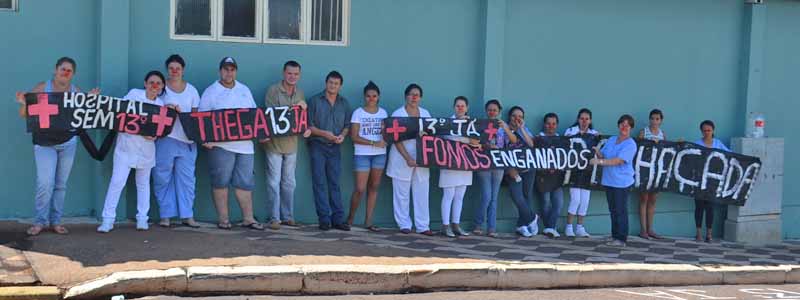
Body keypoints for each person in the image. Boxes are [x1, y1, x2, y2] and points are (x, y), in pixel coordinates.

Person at [15, 57, 100, 236]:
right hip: (44, 143)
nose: (65, 72)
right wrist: (24, 104)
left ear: (73, 74)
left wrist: (90, 100)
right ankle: (40, 221)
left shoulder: (76, 92)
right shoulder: (41, 88)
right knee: (45, 183)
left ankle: (55, 221)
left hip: (68, 143)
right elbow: (24, 115)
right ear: (55, 70)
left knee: (61, 185)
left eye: (69, 70)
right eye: (63, 69)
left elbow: (84, 115)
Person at [97, 71, 169, 233]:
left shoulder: (161, 105)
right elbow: (122, 116)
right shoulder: (134, 95)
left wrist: (154, 136)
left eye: (158, 83)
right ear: (145, 83)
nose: (154, 86)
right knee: (117, 182)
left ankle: (142, 219)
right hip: (126, 148)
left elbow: (160, 129)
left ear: (162, 86)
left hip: (146, 150)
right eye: (151, 82)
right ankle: (107, 220)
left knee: (143, 185)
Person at [199, 57, 263, 230]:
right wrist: (206, 140)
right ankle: (224, 219)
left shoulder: (244, 90)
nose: (229, 72)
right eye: (226, 69)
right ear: (220, 71)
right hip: (221, 146)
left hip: (245, 146)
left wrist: (261, 134)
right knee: (220, 182)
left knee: (245, 183)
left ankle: (248, 218)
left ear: (236, 71)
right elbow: (202, 119)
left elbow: (254, 115)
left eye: (232, 69)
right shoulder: (211, 91)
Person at [261, 60, 311, 230]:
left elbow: (299, 120)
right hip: (274, 145)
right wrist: (295, 107)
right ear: (284, 73)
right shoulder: (273, 90)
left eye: (296, 74)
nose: (292, 77)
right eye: (290, 73)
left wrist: (305, 127)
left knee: (289, 183)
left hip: (292, 145)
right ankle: (274, 218)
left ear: (299, 75)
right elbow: (272, 116)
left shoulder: (300, 93)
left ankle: (288, 216)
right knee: (273, 182)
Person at [153, 54, 201, 228]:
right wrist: (166, 109)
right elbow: (150, 108)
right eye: (171, 68)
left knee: (187, 180)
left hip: (187, 142)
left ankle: (187, 215)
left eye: (178, 68)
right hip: (166, 139)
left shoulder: (192, 91)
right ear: (167, 70)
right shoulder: (160, 88)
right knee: (162, 177)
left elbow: (196, 117)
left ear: (183, 70)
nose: (174, 71)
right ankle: (165, 215)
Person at [386, 84, 433, 236]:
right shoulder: (398, 114)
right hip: (401, 157)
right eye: (411, 94)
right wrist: (407, 157)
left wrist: (423, 156)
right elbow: (395, 138)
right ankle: (404, 224)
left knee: (422, 192)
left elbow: (430, 136)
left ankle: (423, 226)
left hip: (421, 159)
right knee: (401, 193)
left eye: (417, 95)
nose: (414, 97)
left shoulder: (425, 113)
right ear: (406, 96)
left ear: (420, 98)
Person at [308, 71, 352, 231]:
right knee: (319, 182)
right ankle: (324, 219)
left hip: (335, 147)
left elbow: (347, 125)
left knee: (334, 183)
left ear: (340, 86)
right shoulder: (314, 101)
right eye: (330, 82)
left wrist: (342, 136)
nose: (333, 86)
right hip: (318, 145)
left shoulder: (344, 103)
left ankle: (338, 219)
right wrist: (324, 133)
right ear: (326, 83)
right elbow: (309, 126)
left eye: (336, 83)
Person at [346, 81, 387, 232]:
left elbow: (386, 133)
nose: (371, 98)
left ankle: (368, 221)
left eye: (374, 96)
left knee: (374, 187)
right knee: (360, 188)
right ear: (364, 97)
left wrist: (383, 140)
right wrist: (372, 143)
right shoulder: (358, 112)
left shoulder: (383, 113)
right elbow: (354, 136)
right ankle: (350, 219)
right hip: (362, 154)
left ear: (378, 97)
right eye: (368, 96)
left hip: (379, 155)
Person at [591, 114, 637, 247]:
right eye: (622, 124)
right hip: (609, 181)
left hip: (622, 182)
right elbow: (604, 155)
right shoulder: (611, 139)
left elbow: (618, 161)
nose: (624, 127)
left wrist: (599, 161)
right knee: (613, 210)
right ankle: (614, 236)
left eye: (627, 125)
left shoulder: (630, 144)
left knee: (620, 210)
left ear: (631, 128)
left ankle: (621, 238)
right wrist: (597, 151)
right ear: (618, 125)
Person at [473, 100, 517, 238]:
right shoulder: (480, 125)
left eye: (495, 110)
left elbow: (514, 140)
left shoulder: (502, 126)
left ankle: (491, 227)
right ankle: (478, 224)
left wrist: (505, 128)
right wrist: (486, 146)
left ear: (499, 111)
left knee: (494, 197)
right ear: (486, 111)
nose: (492, 112)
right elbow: (475, 142)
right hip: (484, 163)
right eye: (490, 109)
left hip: (498, 164)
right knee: (486, 195)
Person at [438, 96, 478, 237]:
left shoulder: (471, 123)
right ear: (454, 107)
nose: (460, 108)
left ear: (467, 108)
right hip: (449, 164)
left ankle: (456, 224)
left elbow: (475, 142)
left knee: (460, 196)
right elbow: (439, 142)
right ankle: (445, 225)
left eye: (462, 106)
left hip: (465, 163)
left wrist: (468, 127)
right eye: (457, 106)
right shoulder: (446, 123)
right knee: (448, 195)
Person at [563, 108, 598, 237]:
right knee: (575, 199)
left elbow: (598, 150)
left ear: (590, 120)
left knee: (585, 200)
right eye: (582, 118)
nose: (584, 121)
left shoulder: (594, 134)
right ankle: (569, 226)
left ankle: (580, 227)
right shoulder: (570, 132)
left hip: (588, 172)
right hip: (573, 171)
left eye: (587, 119)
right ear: (578, 119)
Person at [505, 106, 539, 237]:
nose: (517, 118)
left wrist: (522, 129)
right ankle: (532, 217)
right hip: (513, 169)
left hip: (529, 168)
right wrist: (509, 169)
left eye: (520, 116)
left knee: (527, 196)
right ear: (509, 117)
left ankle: (522, 225)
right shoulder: (503, 130)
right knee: (517, 196)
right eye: (514, 116)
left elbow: (531, 144)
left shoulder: (525, 129)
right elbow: (501, 149)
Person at [694, 120, 729, 243]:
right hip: (699, 181)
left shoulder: (718, 144)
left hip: (713, 182)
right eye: (704, 130)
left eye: (709, 130)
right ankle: (698, 233)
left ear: (713, 131)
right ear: (701, 131)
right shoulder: (697, 144)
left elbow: (729, 155)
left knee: (710, 207)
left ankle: (709, 234)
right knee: (699, 207)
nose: (707, 132)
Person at [637, 109, 666, 240]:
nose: (654, 121)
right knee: (644, 199)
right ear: (649, 119)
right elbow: (638, 147)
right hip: (644, 170)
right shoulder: (643, 132)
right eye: (652, 118)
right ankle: (643, 230)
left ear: (661, 121)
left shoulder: (662, 134)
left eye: (657, 119)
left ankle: (650, 229)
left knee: (653, 200)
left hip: (657, 171)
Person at [536, 112, 564, 238]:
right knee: (545, 202)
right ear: (544, 124)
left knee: (558, 203)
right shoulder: (538, 138)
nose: (551, 126)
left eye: (553, 124)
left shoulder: (561, 139)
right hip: (543, 176)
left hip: (557, 177)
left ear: (557, 125)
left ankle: (549, 228)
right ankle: (550, 228)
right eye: (548, 123)